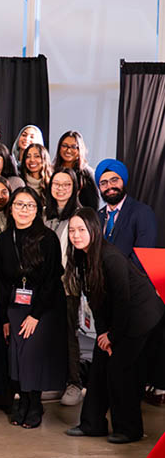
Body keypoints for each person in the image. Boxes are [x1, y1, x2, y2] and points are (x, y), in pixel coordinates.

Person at [64, 208, 165, 444]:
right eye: (72, 230)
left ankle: (130, 430)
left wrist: (113, 337)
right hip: (115, 319)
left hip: (141, 317)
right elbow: (95, 301)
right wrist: (103, 335)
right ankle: (92, 424)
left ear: (94, 230)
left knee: (120, 371)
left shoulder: (111, 257)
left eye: (81, 229)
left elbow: (123, 301)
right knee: (99, 367)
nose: (76, 235)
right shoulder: (82, 256)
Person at [0, 187, 68, 428]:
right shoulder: (4, 240)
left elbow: (51, 280)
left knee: (31, 351)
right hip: (15, 302)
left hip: (44, 305)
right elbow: (2, 282)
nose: (24, 210)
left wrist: (35, 315)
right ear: (11, 208)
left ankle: (35, 403)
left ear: (37, 210)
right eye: (19, 204)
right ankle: (23, 400)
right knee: (16, 353)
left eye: (30, 205)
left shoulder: (48, 238)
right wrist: (5, 316)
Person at [94, 158, 164, 406]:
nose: (109, 186)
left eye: (114, 180)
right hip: (107, 295)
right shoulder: (98, 217)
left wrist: (115, 278)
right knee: (108, 354)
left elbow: (142, 254)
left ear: (124, 181)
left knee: (128, 357)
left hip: (135, 295)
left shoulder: (141, 212)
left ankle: (129, 407)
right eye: (103, 182)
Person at [43, 168, 85, 406]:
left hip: (68, 284)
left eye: (66, 184)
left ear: (75, 188)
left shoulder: (79, 215)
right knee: (49, 333)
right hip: (45, 284)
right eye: (56, 184)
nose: (60, 188)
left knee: (69, 334)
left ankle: (74, 383)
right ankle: (55, 381)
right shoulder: (44, 214)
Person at [52, 131, 99, 210]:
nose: (68, 150)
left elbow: (93, 206)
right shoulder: (52, 170)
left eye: (73, 147)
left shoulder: (87, 173)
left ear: (80, 149)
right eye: (64, 146)